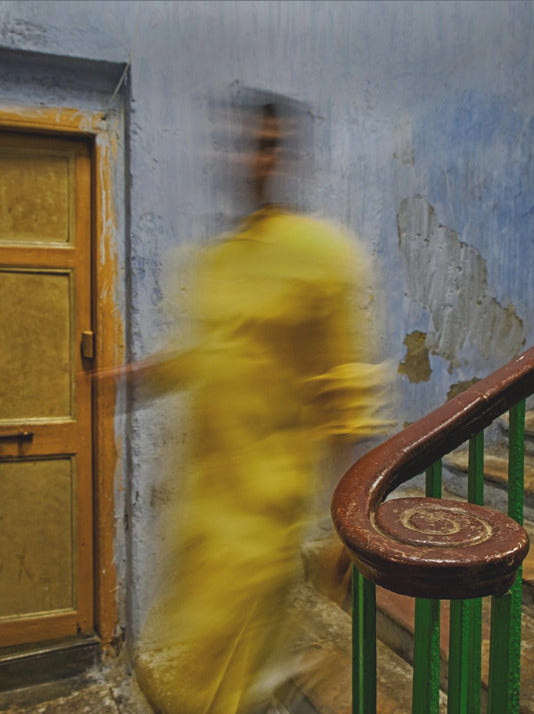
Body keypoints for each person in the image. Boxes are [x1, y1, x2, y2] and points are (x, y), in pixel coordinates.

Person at [104, 95, 389, 713]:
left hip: (263, 514)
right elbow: (203, 355)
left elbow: (343, 397)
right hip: (202, 506)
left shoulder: (322, 255)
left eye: (264, 144)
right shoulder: (218, 261)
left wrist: (350, 525)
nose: (248, 157)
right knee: (201, 666)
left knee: (221, 682)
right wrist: (128, 378)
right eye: (237, 142)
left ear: (285, 156)